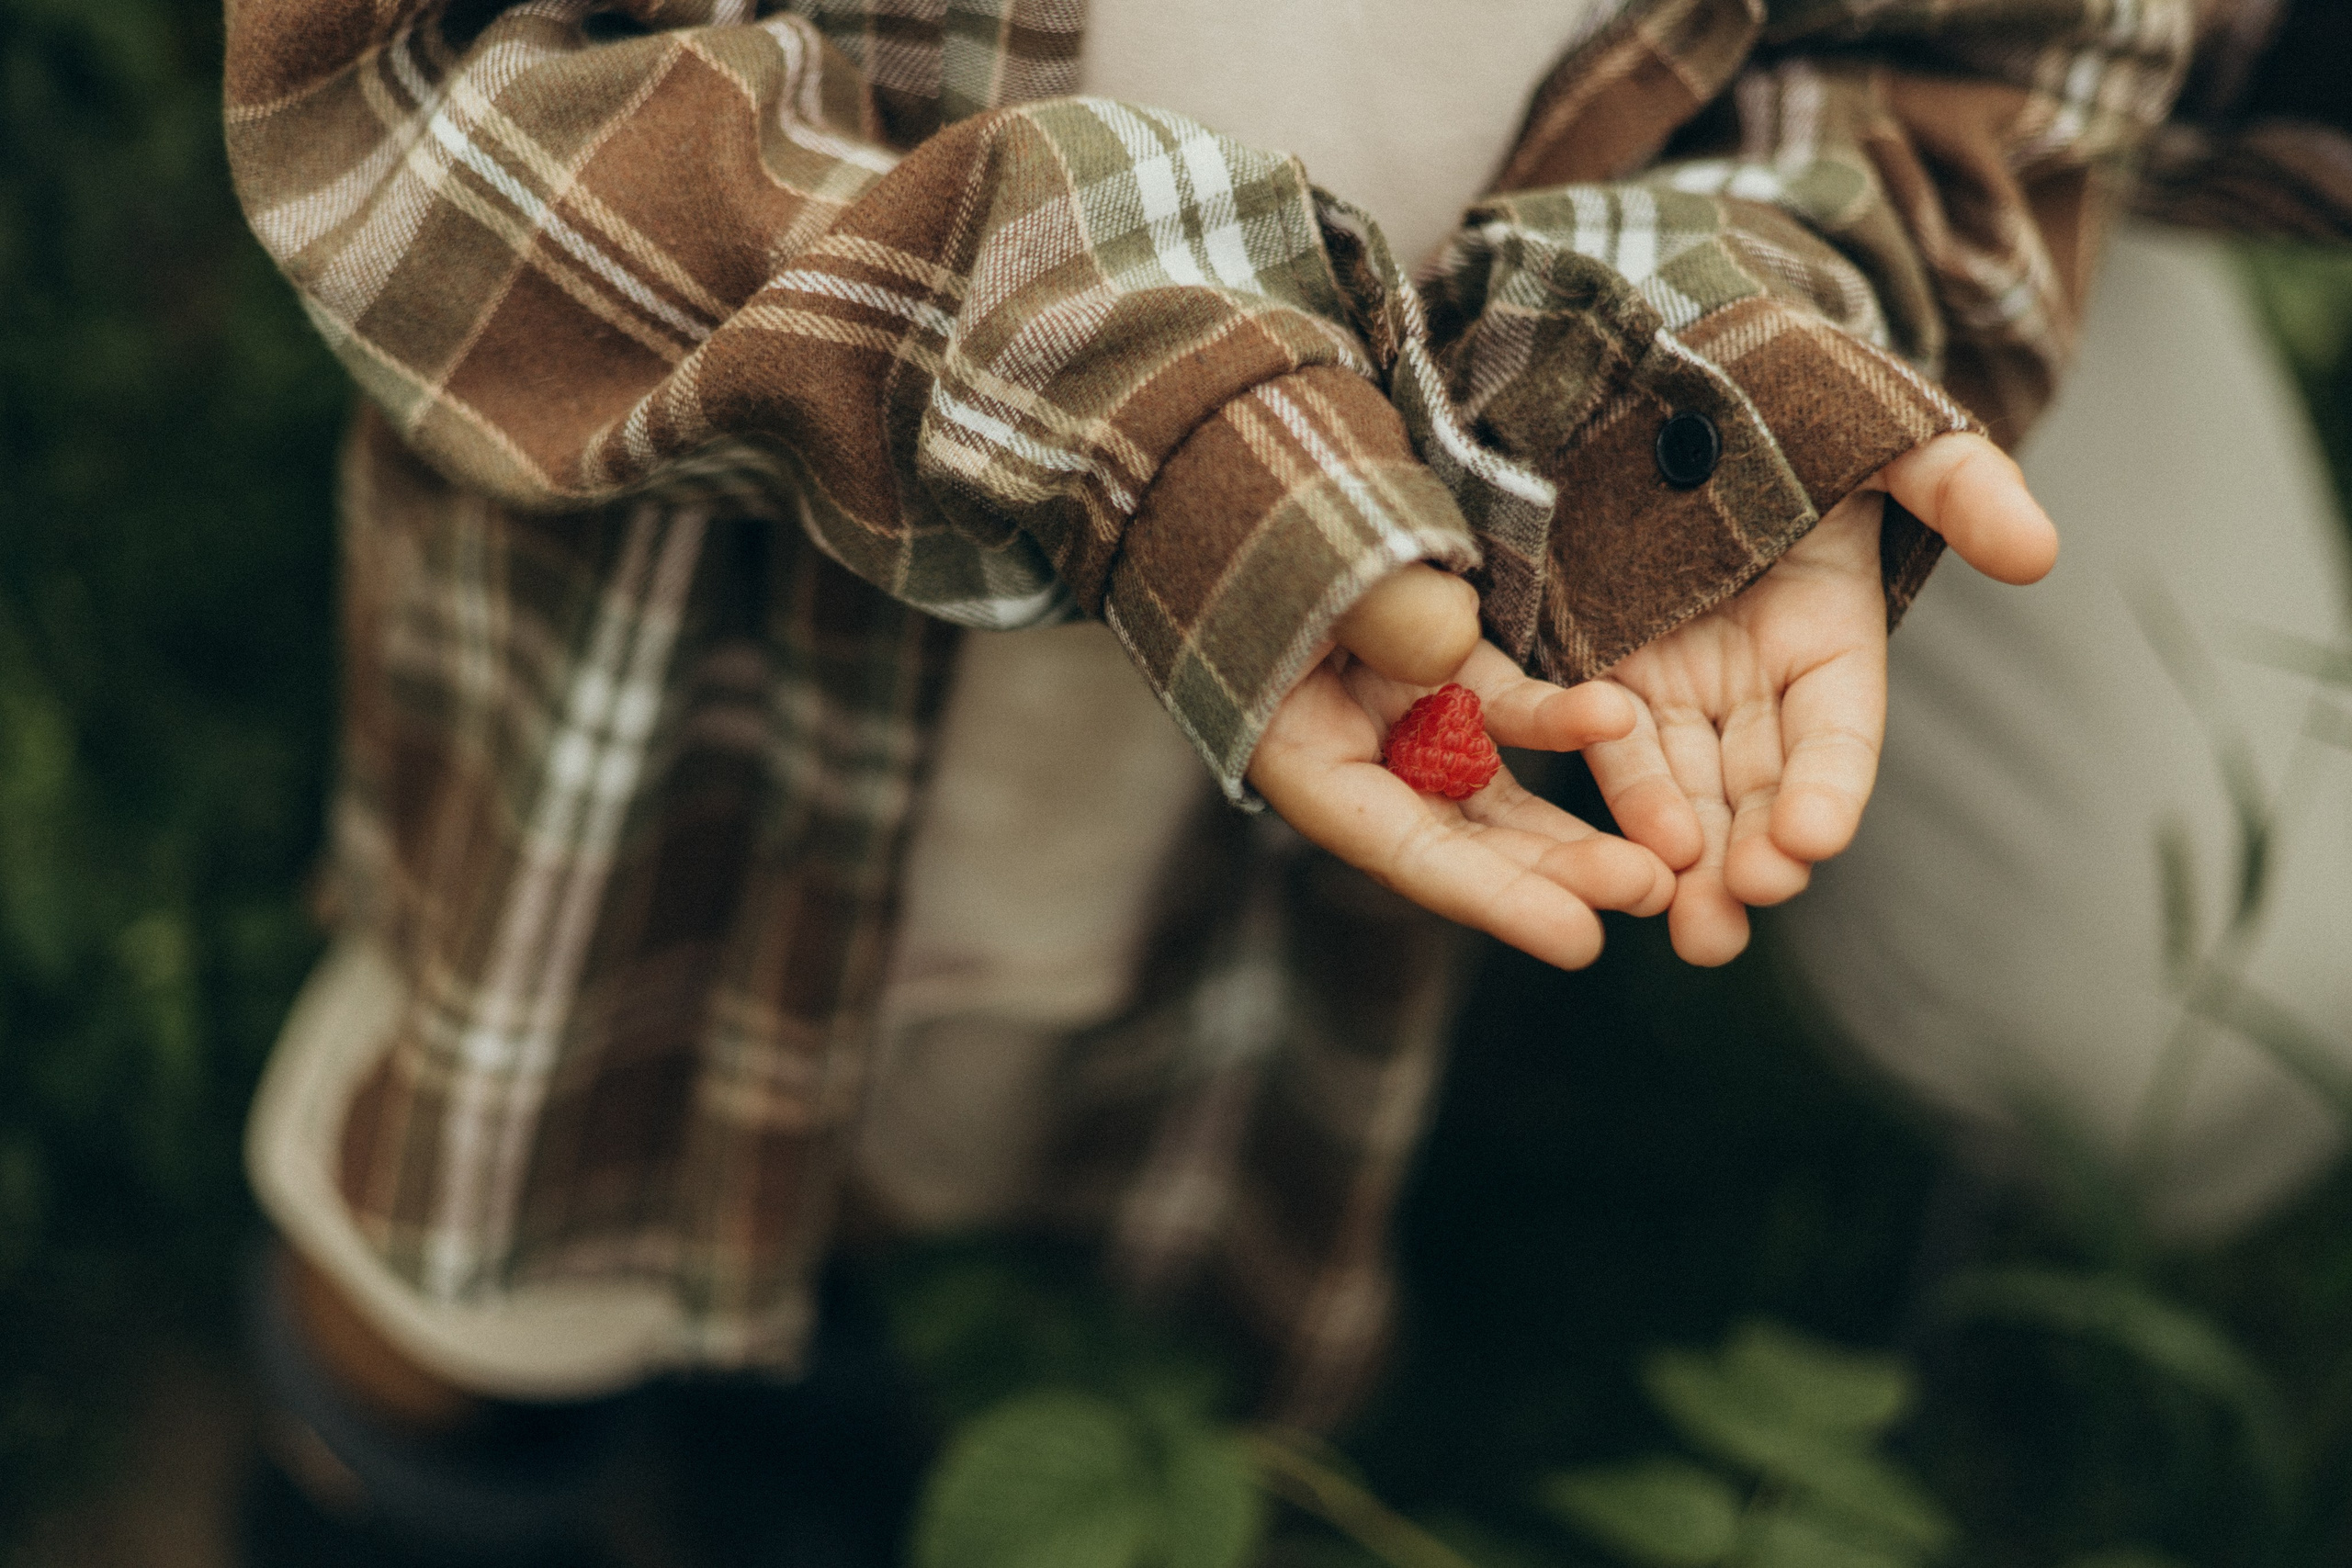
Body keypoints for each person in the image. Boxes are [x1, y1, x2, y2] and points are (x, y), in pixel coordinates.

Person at [218, 0, 2347, 1560]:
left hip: (1308, 628)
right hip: (747, 578)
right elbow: (434, 91)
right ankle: (393, 1480)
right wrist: (1152, 415)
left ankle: (826, 1383)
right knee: (551, 1136)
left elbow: (1948, 60)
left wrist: (1716, 354)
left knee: (1046, 1070)